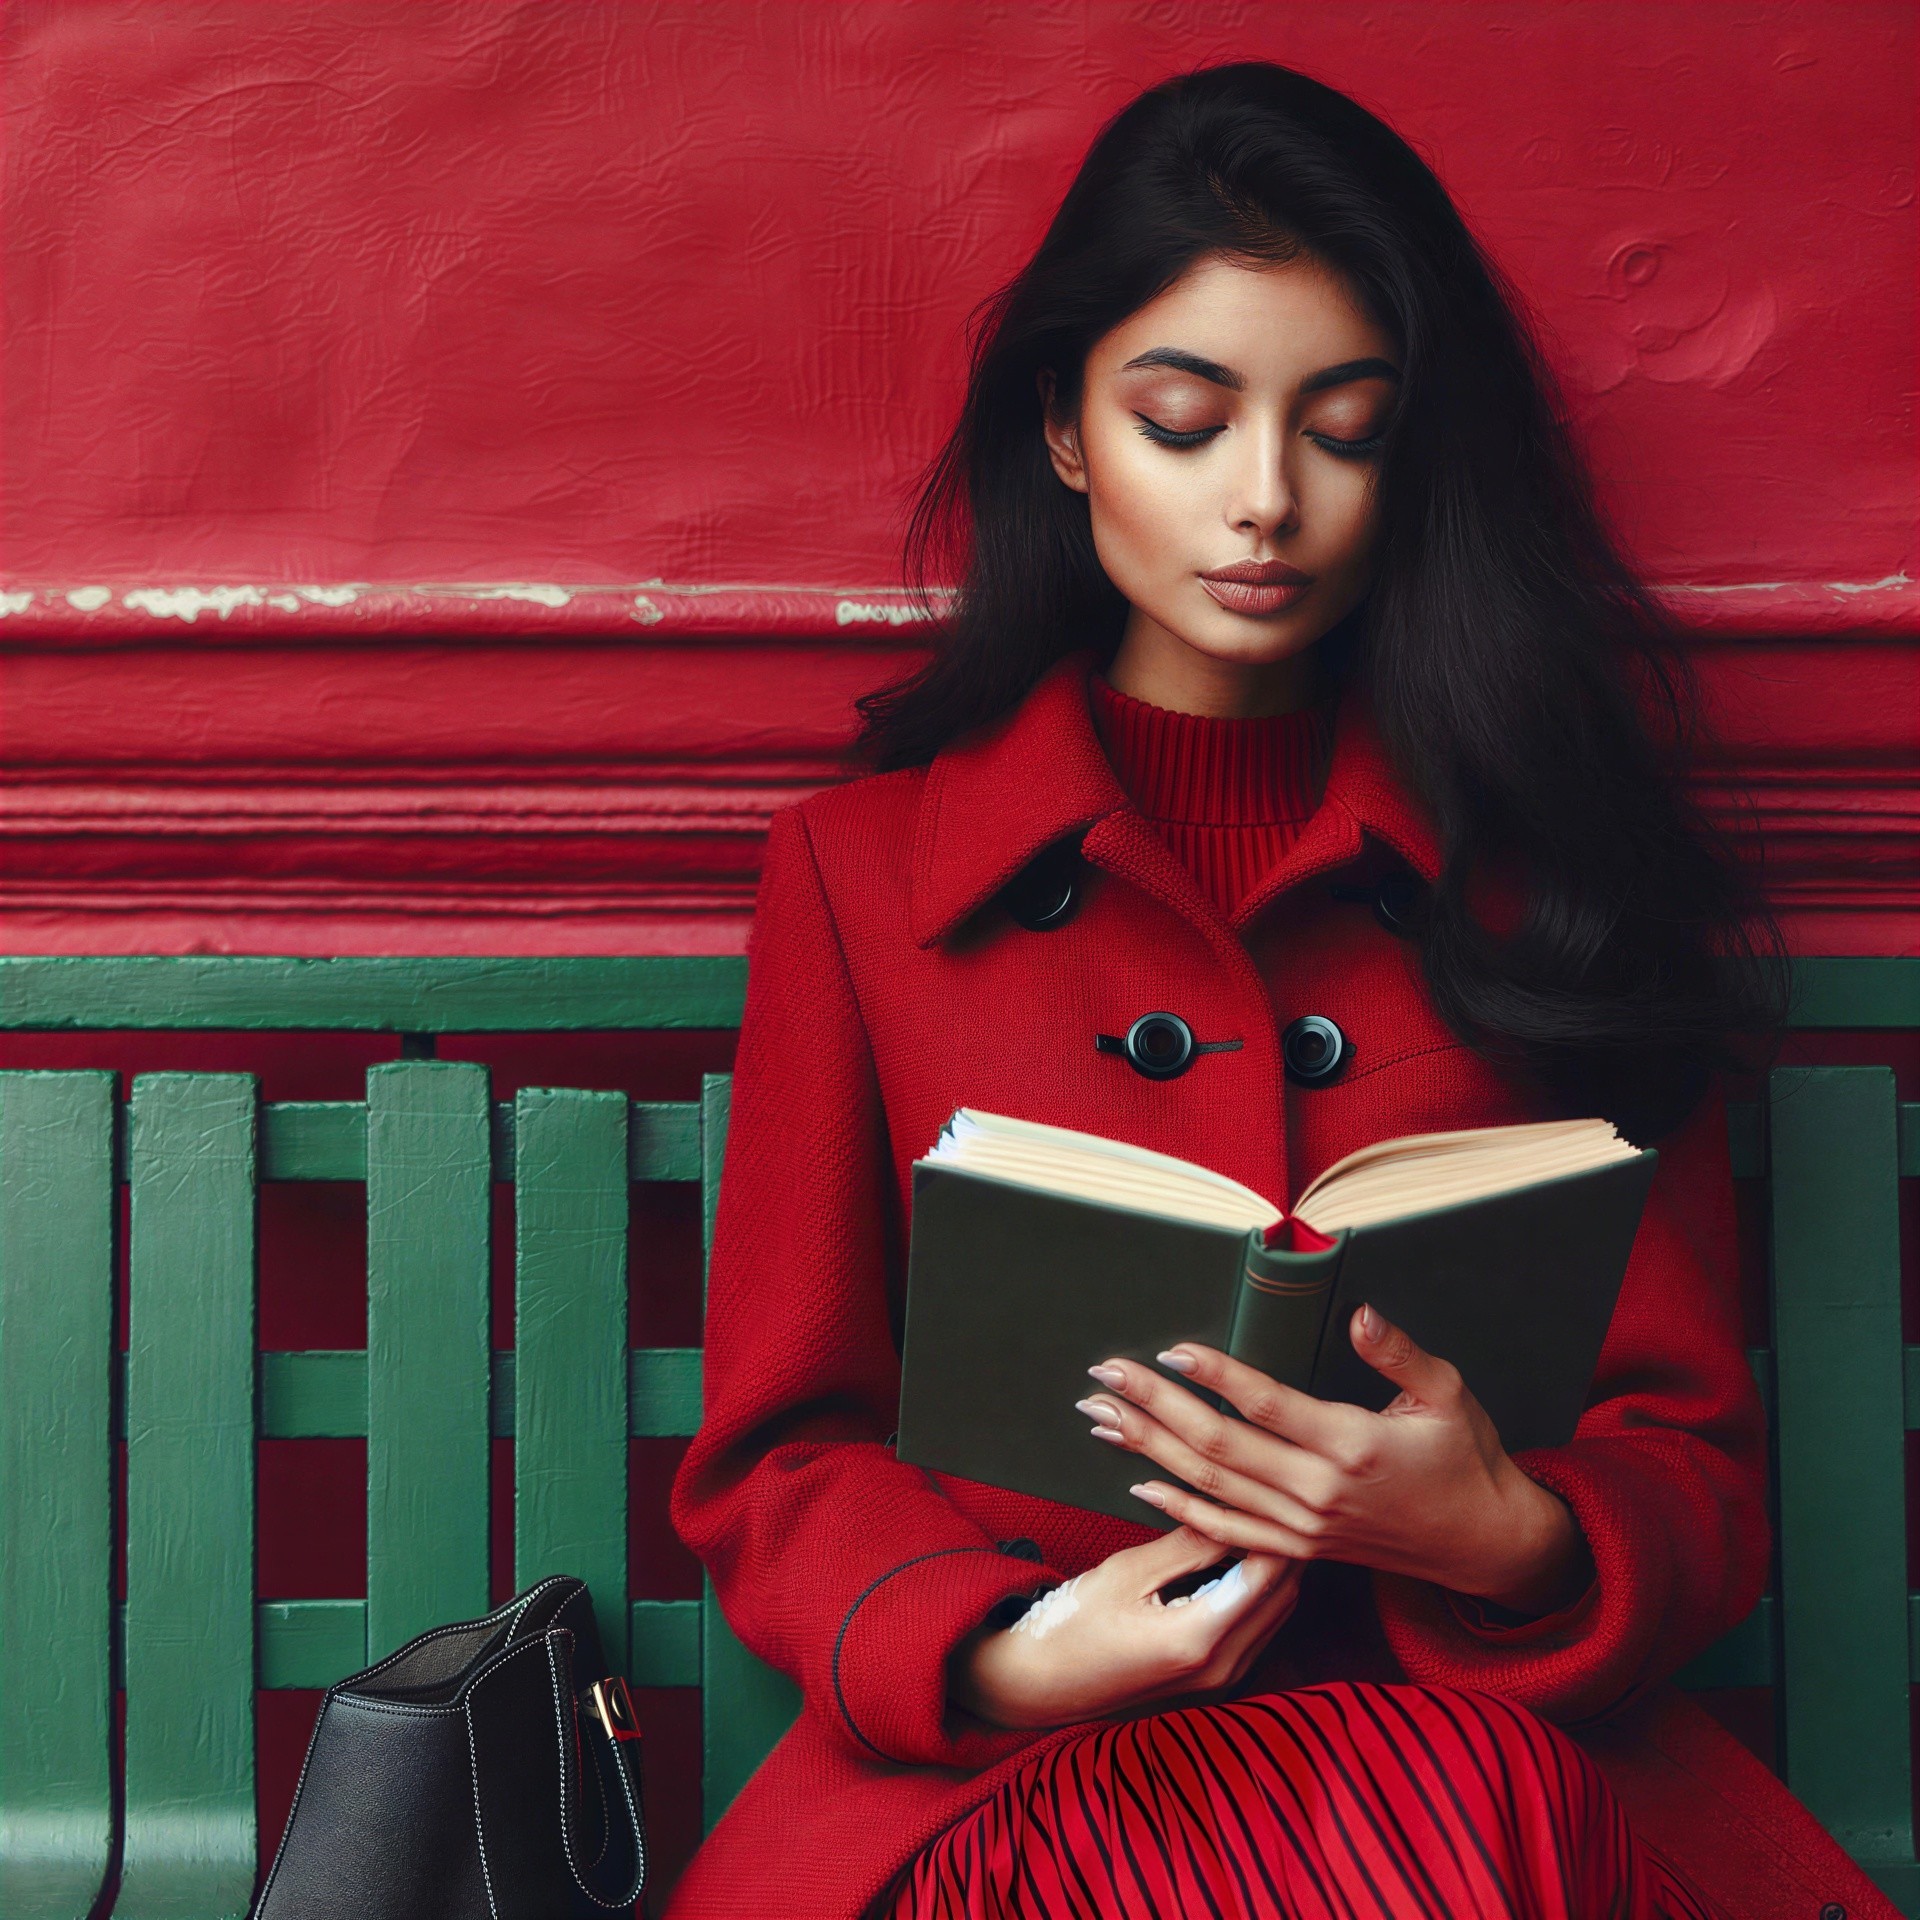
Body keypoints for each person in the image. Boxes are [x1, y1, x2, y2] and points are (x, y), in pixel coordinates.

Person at [668, 61, 1889, 1920]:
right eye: (1182, 419)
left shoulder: (1550, 879)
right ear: (1066, 431)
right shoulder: (862, 874)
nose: (1263, 501)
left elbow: (1690, 1462)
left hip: (1475, 1755)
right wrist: (1007, 1651)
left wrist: (1511, 1534)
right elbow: (784, 1450)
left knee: (1446, 1834)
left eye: (1346, 431)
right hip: (1032, 1776)